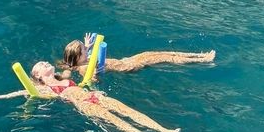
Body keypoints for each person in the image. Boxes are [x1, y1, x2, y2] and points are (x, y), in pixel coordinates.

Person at [0, 61, 180, 132]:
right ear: (36, 76)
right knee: (117, 122)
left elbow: (74, 69)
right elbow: (12, 94)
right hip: (83, 104)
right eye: (41, 66)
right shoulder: (42, 89)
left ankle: (165, 131)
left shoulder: (64, 77)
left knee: (131, 112)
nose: (46, 63)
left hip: (95, 95)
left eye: (45, 62)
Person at [60, 36, 215, 77]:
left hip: (126, 60)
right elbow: (93, 78)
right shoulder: (83, 68)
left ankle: (198, 55)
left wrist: (87, 46)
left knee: (154, 53)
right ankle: (202, 60)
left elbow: (84, 59)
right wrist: (96, 74)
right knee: (164, 58)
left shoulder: (79, 62)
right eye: (83, 49)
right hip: (129, 66)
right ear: (78, 57)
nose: (86, 50)